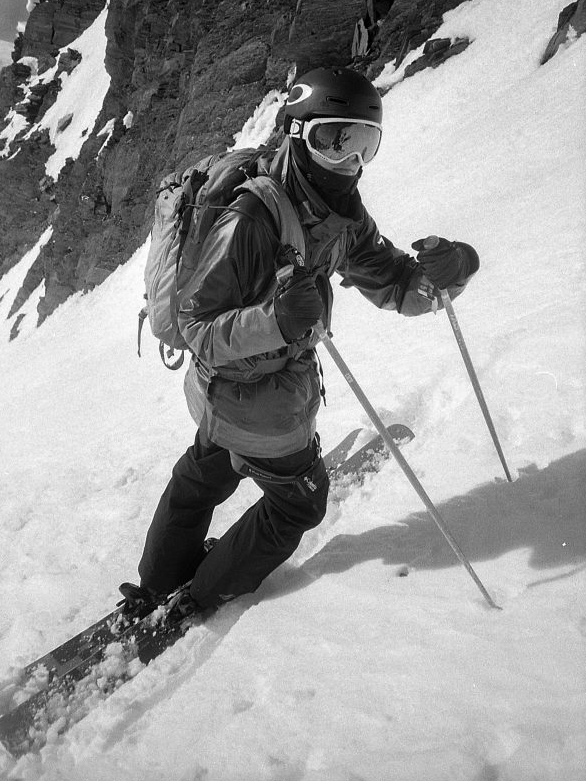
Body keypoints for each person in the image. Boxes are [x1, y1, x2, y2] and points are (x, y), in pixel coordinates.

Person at [124, 67, 479, 618]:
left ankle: (158, 580)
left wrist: (449, 273)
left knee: (202, 474)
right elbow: (197, 328)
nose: (351, 162)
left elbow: (400, 288)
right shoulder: (250, 219)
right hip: (261, 407)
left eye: (365, 145)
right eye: (334, 141)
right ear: (297, 134)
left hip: (221, 399)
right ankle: (196, 599)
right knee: (298, 507)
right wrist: (277, 322)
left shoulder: (340, 218)